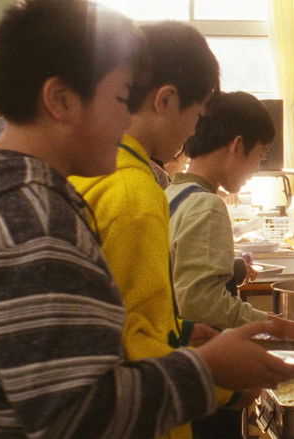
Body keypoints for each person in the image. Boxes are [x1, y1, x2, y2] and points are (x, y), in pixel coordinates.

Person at [0, 1, 294, 437]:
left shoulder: (12, 191)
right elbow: (74, 414)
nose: (126, 117)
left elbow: (80, 341)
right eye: (120, 98)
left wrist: (182, 335)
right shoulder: (36, 222)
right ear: (60, 99)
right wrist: (208, 372)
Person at [67, 21, 230, 439]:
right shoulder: (134, 193)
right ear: (166, 100)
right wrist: (224, 379)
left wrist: (186, 331)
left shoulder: (94, 169)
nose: (194, 131)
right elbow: (126, 340)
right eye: (196, 114)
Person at [167, 91, 294, 337]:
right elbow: (201, 303)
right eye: (260, 155)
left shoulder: (173, 192)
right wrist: (277, 326)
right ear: (237, 145)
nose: (256, 169)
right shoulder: (207, 205)